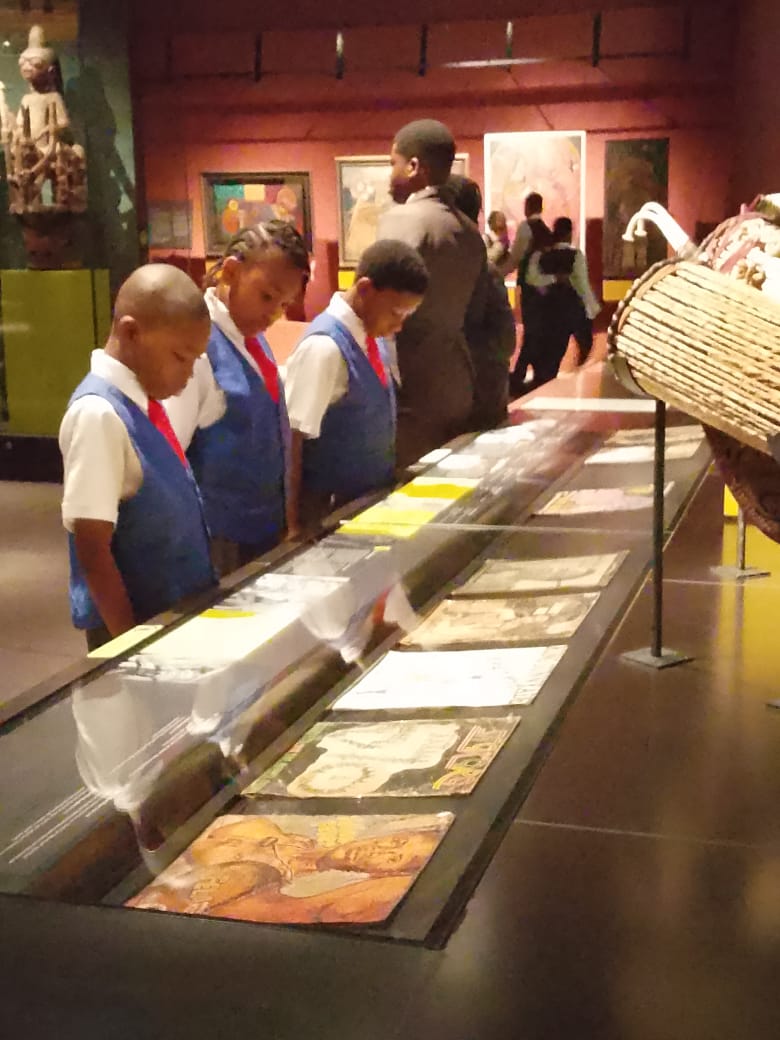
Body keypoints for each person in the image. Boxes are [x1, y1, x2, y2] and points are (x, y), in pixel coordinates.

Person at [59, 264, 216, 650]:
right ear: (131, 333)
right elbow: (92, 547)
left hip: (172, 614)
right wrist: (131, 646)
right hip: (135, 630)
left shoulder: (144, 404)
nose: (188, 375)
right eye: (180, 357)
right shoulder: (98, 414)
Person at [171, 221, 311, 576]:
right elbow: (171, 458)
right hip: (219, 541)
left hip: (263, 532)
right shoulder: (196, 348)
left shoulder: (252, 336)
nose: (274, 314)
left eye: (284, 304)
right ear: (231, 272)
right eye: (266, 297)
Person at [284, 239, 428, 532]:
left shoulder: (373, 336)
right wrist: (292, 525)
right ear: (364, 289)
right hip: (329, 515)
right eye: (395, 313)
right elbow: (292, 440)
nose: (399, 326)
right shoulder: (324, 348)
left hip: (367, 507)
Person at [377, 118, 486, 467]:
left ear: (413, 166)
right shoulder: (469, 232)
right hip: (456, 378)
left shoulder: (402, 220)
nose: (390, 174)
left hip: (411, 385)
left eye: (393, 163)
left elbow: (375, 305)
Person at [448, 175, 517, 428]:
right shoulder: (482, 269)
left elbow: (504, 339)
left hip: (474, 394)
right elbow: (505, 338)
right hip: (472, 392)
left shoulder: (481, 271)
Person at [524, 216, 599, 390]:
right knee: (583, 344)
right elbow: (582, 285)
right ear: (569, 234)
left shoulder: (540, 256)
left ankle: (541, 384)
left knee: (549, 356)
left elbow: (532, 279)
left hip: (546, 311)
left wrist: (552, 279)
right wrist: (592, 308)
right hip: (570, 311)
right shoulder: (576, 256)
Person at [496, 192, 552, 395]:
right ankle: (536, 373)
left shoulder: (526, 228)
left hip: (530, 288)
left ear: (527, 207)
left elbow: (515, 258)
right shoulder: (546, 231)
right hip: (546, 289)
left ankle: (519, 375)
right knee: (538, 330)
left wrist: (496, 274)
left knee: (530, 330)